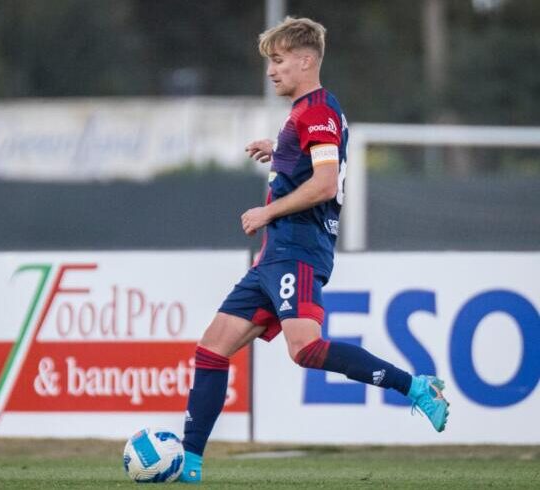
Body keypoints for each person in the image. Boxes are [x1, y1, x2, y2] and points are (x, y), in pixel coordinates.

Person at [178, 16, 449, 483]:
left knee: (304, 349)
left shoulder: (317, 111)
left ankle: (416, 387)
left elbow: (324, 184)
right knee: (211, 349)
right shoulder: (305, 115)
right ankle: (189, 463)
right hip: (274, 256)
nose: (272, 71)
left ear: (306, 61)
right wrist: (280, 150)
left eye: (279, 61)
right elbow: (314, 163)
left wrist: (267, 212)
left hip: (297, 250)